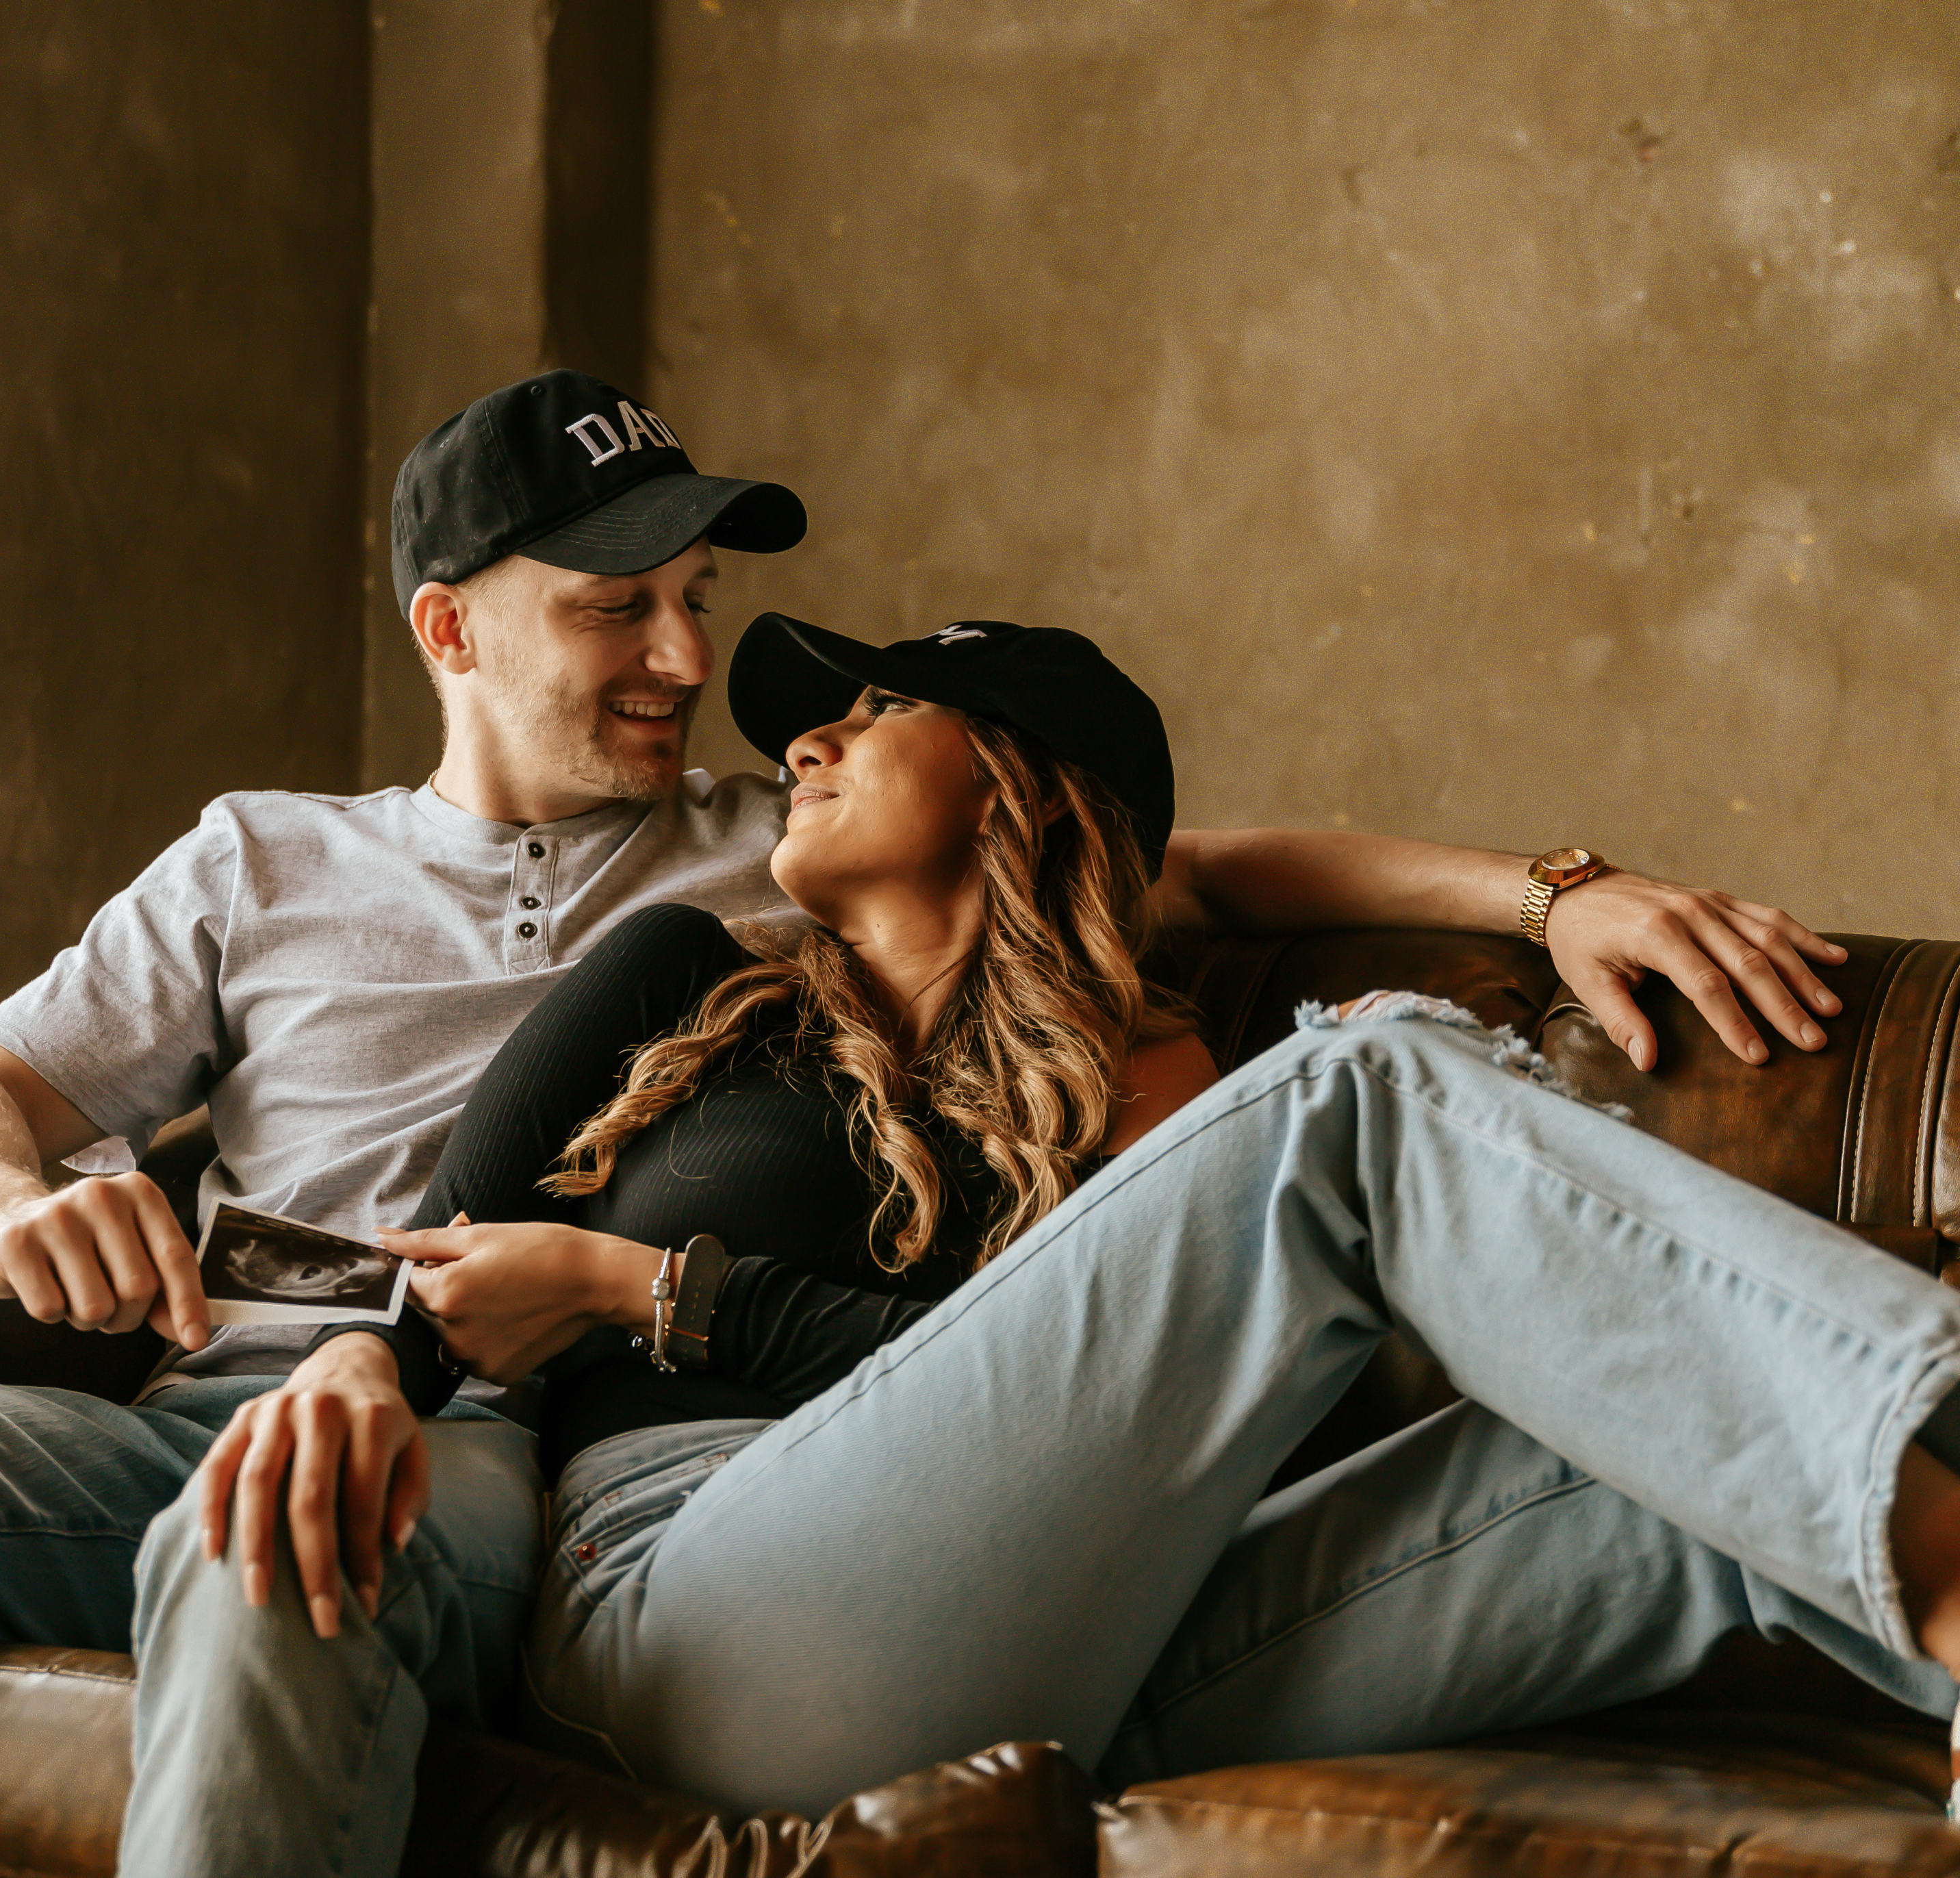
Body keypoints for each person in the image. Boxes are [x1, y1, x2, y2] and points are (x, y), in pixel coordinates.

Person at [0, 371, 1866, 1877]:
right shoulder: (281, 866)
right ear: (452, 629)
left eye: (697, 597)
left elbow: (1182, 859)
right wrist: (15, 1216)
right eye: (619, 602)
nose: (685, 657)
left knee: (284, 1530)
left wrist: (1551, 891)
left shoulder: (768, 855)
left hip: (498, 1427)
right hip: (244, 1365)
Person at [182, 615, 1960, 1876]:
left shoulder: (1165, 1089)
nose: (798, 739)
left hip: (1101, 1637)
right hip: (701, 1604)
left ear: (1018, 788)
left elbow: (1186, 1447)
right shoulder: (679, 982)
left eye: (870, 713)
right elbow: (443, 1288)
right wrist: (643, 1296)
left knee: (1689, 1452)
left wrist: (658, 1293)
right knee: (1367, 1089)